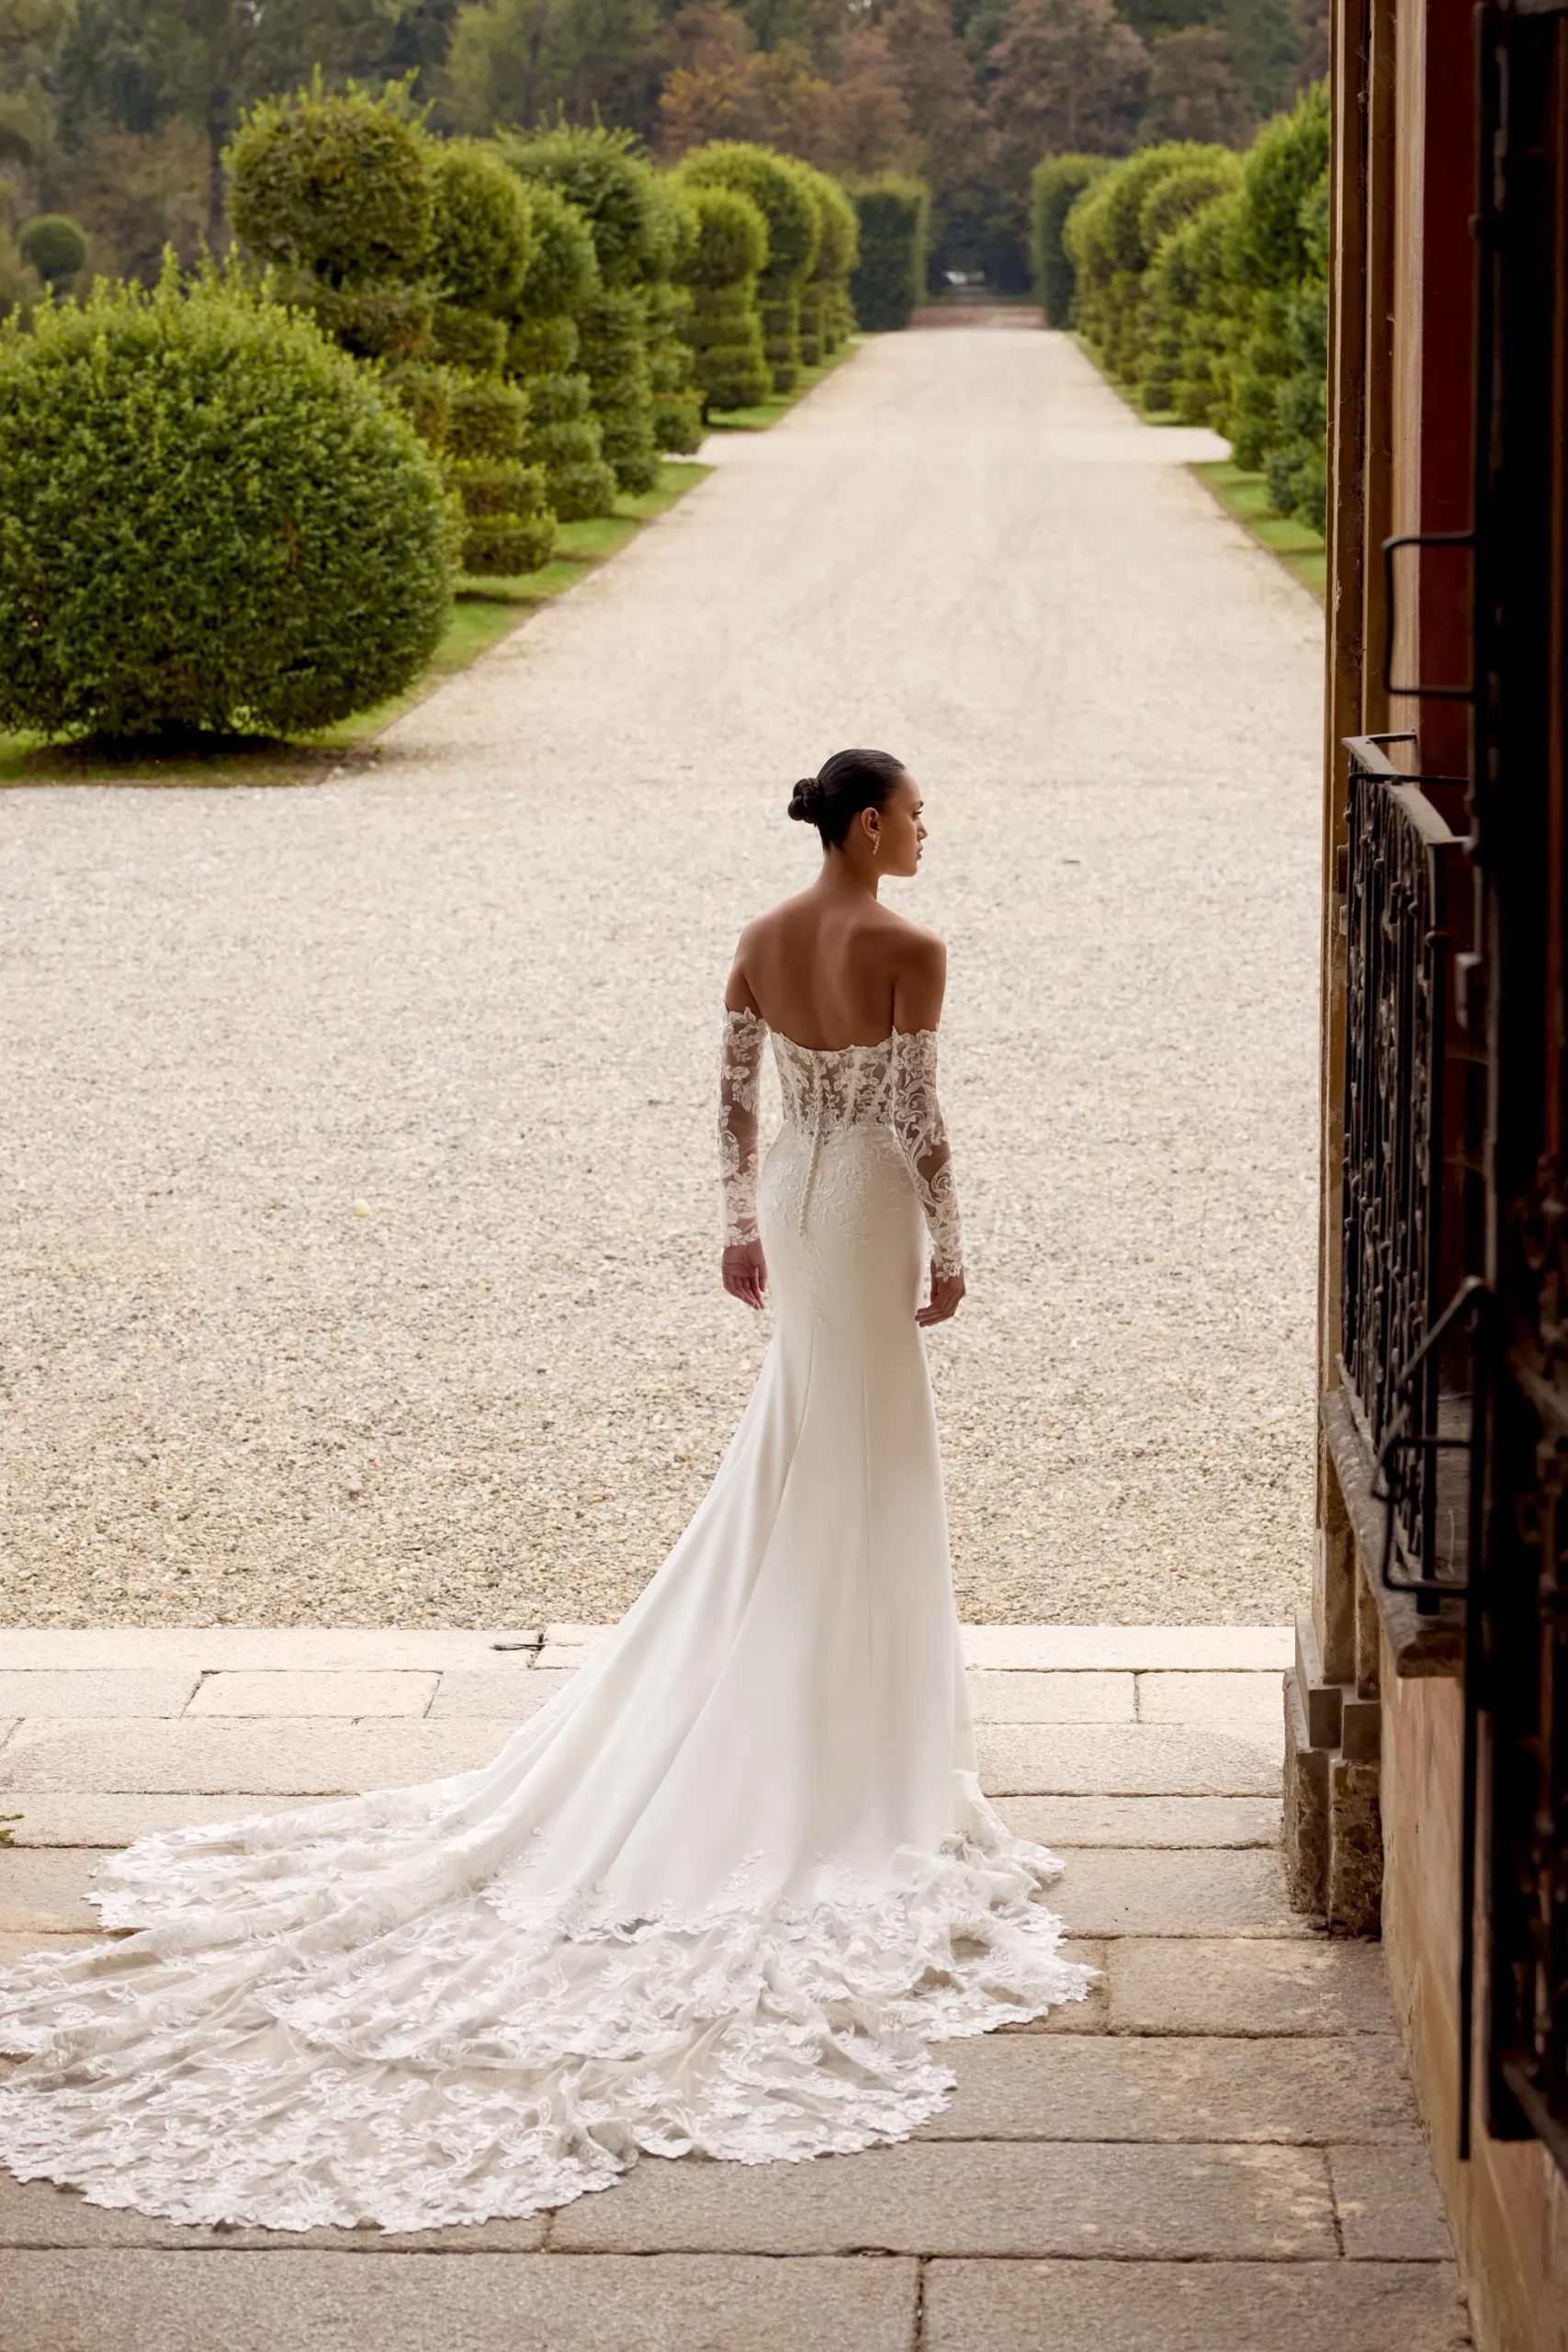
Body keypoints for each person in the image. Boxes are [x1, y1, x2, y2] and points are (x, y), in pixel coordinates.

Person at [0, 749, 1090, 2234]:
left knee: (805, 1445)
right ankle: (853, 1738)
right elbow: (920, 1119)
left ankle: (796, 1677)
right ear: (863, 825)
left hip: (790, 1198)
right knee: (867, 1460)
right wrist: (952, 1252)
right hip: (870, 1207)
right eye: (911, 809)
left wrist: (734, 1231)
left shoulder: (762, 938)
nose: (925, 826)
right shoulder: (911, 945)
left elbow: (729, 1109)